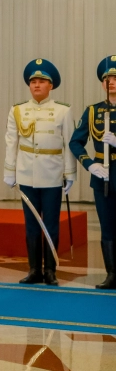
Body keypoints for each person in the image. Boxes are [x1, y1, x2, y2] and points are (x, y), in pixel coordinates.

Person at [6, 59, 75, 286]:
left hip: (52, 175)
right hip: (26, 175)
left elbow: (68, 144)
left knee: (52, 225)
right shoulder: (17, 110)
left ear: (51, 86)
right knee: (32, 225)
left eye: (42, 81)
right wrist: (10, 171)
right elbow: (11, 142)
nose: (36, 85)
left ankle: (51, 271)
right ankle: (34, 269)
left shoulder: (63, 111)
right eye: (33, 81)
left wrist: (70, 173)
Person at [70, 56, 116, 289]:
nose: (112, 82)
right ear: (102, 83)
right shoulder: (92, 111)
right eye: (108, 78)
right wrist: (90, 164)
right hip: (103, 175)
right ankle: (112, 274)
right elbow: (75, 143)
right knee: (107, 227)